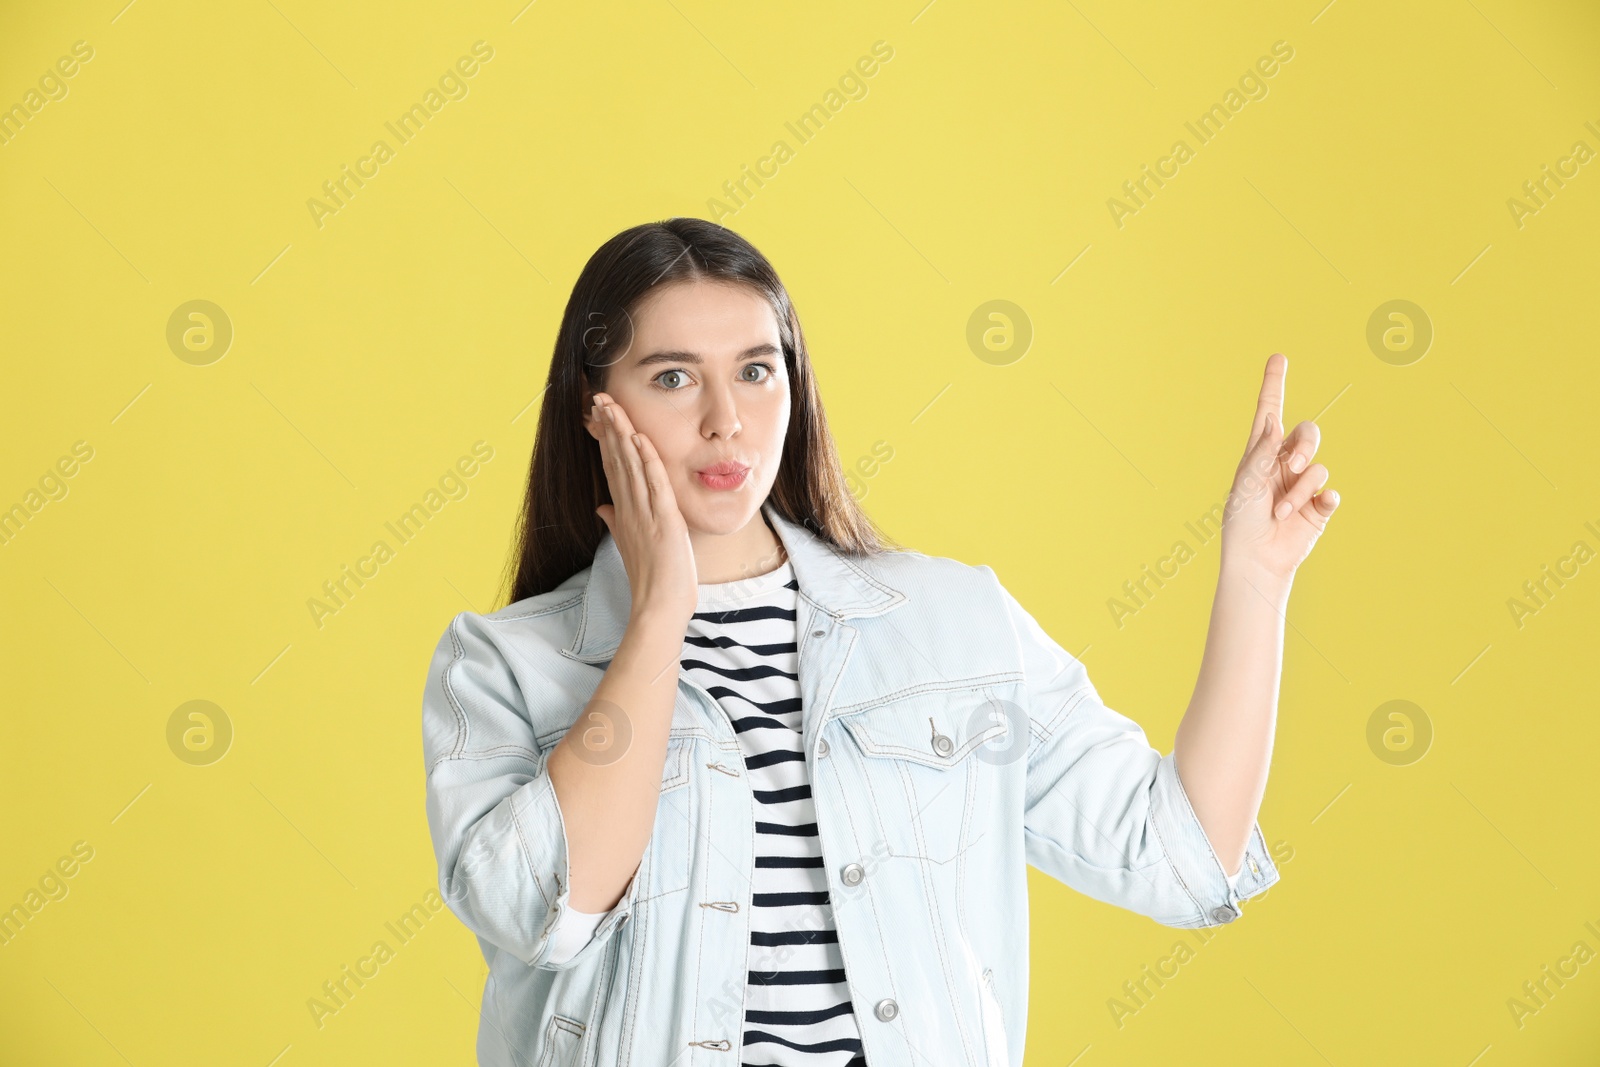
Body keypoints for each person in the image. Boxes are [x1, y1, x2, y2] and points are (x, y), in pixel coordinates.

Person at [419, 218, 1339, 1067]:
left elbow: (1180, 853)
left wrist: (1255, 581)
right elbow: (540, 908)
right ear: (595, 406)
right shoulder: (505, 665)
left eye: (755, 369)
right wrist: (661, 615)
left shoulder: (951, 623)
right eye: (671, 376)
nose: (724, 420)